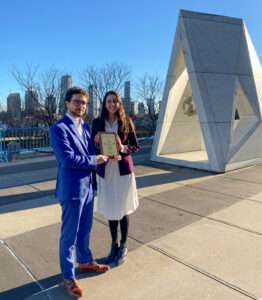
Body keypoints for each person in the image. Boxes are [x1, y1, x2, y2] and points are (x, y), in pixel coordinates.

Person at [50, 87, 110, 298]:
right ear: (67, 103)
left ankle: (84, 261)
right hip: (72, 189)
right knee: (69, 236)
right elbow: (67, 160)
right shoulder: (59, 128)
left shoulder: (84, 126)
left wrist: (104, 149)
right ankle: (68, 276)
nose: (81, 106)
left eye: (84, 103)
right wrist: (95, 160)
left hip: (88, 187)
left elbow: (89, 152)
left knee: (85, 229)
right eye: (77, 102)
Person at [91, 90, 140, 266]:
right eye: (108, 101)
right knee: (112, 209)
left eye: (115, 101)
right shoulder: (97, 122)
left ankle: (123, 246)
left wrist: (123, 149)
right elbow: (91, 148)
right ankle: (114, 245)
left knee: (123, 209)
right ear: (104, 103)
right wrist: (96, 143)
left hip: (123, 171)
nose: (111, 104)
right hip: (106, 171)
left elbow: (135, 146)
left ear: (119, 104)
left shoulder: (127, 122)